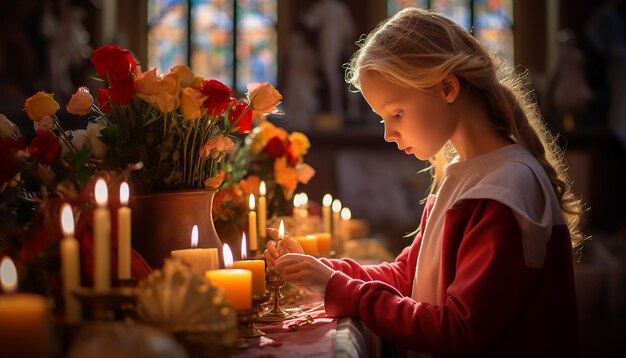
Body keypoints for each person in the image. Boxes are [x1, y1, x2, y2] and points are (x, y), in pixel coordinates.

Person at [264, 7, 584, 357]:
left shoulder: (504, 191)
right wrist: (320, 270)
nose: (388, 133)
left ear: (447, 87)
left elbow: (459, 331)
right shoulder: (467, 176)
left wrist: (340, 288)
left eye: (396, 114)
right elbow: (407, 276)